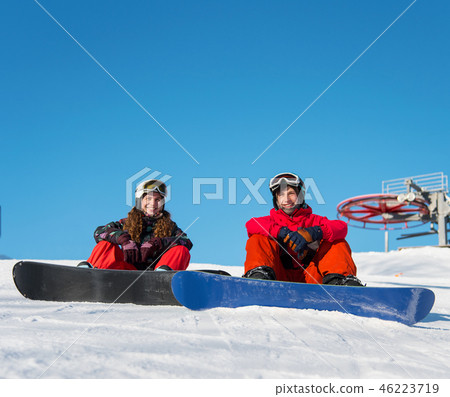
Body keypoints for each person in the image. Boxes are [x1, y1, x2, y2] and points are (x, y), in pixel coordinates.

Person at [243, 172, 363, 286]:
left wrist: (314, 233)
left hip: (313, 279)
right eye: (281, 195)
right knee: (258, 238)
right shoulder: (271, 221)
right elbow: (252, 224)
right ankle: (259, 278)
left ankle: (339, 282)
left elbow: (341, 227)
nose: (286, 199)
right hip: (279, 277)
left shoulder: (315, 220)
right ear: (276, 199)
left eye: (291, 193)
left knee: (336, 241)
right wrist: (281, 232)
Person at [81, 179, 192, 271]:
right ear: (140, 201)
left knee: (181, 249)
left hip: (154, 275)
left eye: (157, 199)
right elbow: (99, 232)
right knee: (106, 244)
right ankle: (89, 276)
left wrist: (158, 243)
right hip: (126, 273)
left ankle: (164, 278)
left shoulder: (170, 226)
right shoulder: (127, 223)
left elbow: (186, 241)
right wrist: (123, 239)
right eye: (148, 198)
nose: (153, 203)